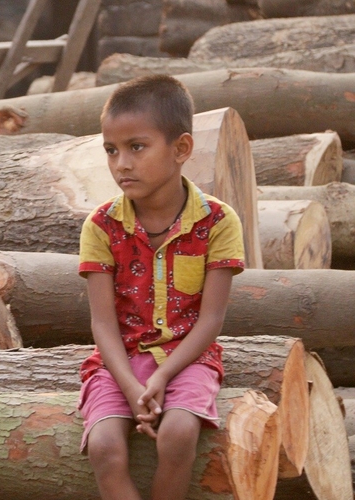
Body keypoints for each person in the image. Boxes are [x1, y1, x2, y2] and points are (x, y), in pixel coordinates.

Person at [77, 74, 246, 500]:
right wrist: (133, 387)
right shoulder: (101, 226)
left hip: (189, 358)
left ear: (181, 149)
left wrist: (165, 374)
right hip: (119, 362)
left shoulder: (218, 222)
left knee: (178, 434)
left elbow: (211, 320)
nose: (122, 164)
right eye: (111, 150)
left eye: (137, 147)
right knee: (104, 448)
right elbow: (102, 324)